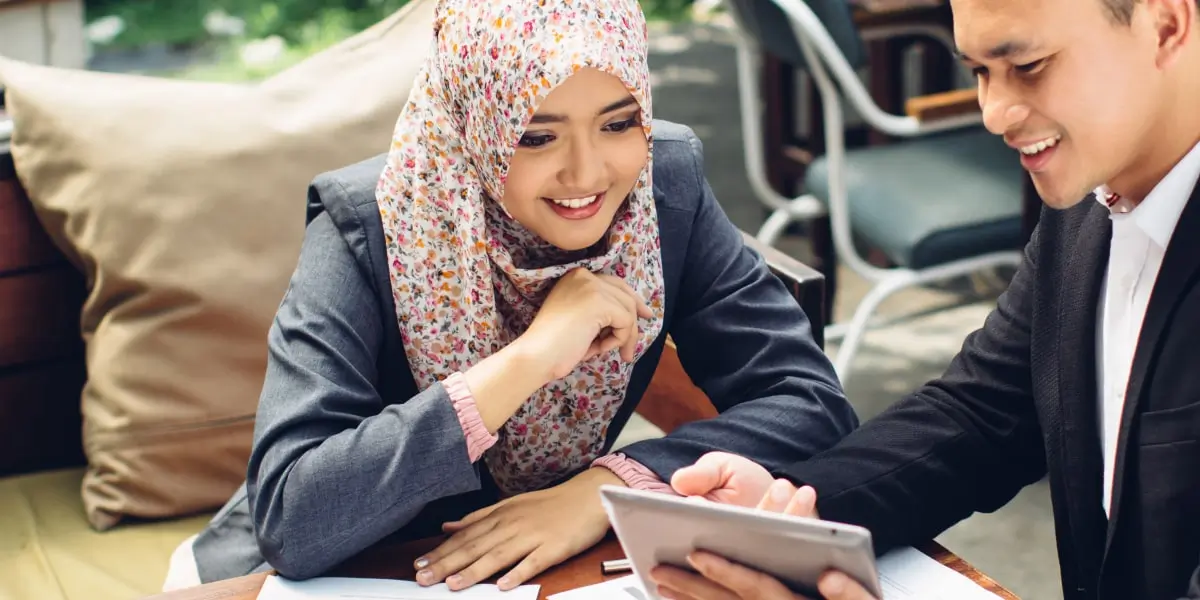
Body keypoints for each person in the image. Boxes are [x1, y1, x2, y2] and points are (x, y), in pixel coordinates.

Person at [159, 0, 859, 592]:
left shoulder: (662, 193)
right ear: (476, 125)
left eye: (619, 122)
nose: (587, 172)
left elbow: (813, 405)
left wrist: (604, 490)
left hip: (534, 568)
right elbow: (293, 518)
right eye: (535, 135)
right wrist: (525, 362)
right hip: (306, 577)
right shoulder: (368, 227)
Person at [649, 0, 1200, 597]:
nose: (994, 113)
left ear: (1167, 24)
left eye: (1030, 66)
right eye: (980, 71)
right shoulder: (1093, 194)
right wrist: (795, 510)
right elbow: (985, 411)